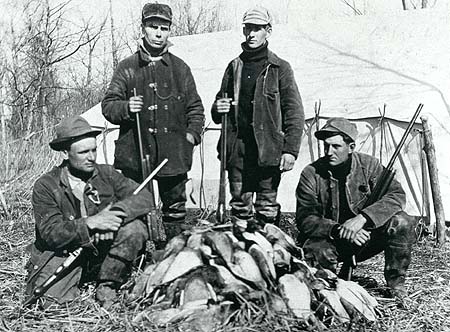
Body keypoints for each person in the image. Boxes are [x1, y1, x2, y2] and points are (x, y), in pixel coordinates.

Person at [25, 116, 153, 308]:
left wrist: (116, 214)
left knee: (135, 228)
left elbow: (144, 198)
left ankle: (107, 283)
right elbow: (51, 233)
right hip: (65, 253)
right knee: (51, 304)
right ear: (66, 153)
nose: (92, 157)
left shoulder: (107, 174)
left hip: (103, 251)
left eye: (93, 150)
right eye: (84, 152)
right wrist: (91, 223)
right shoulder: (46, 185)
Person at [102, 3, 204, 239]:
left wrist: (190, 138)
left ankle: (170, 259)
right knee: (136, 211)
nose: (158, 33)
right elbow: (108, 106)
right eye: (153, 27)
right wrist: (126, 107)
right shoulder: (127, 68)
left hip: (173, 156)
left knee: (175, 214)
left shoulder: (180, 69)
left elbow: (195, 109)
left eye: (164, 28)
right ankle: (138, 260)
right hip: (135, 156)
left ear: (169, 31)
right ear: (143, 28)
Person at [295, 117, 416, 298]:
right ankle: (327, 292)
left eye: (336, 146)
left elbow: (396, 195)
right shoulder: (311, 173)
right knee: (317, 258)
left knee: (402, 222)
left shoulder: (370, 166)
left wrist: (363, 218)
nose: (329, 152)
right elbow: (306, 218)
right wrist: (339, 229)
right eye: (326, 146)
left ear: (351, 147)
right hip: (331, 241)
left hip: (366, 237)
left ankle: (396, 285)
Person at [211, 6, 304, 226]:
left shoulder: (280, 68)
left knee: (267, 209)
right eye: (248, 28)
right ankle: (241, 256)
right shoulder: (234, 67)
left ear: (268, 31)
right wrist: (219, 106)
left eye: (257, 28)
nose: (252, 34)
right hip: (237, 150)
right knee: (240, 208)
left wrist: (290, 150)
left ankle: (268, 255)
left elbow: (294, 111)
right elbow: (218, 110)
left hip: (268, 149)